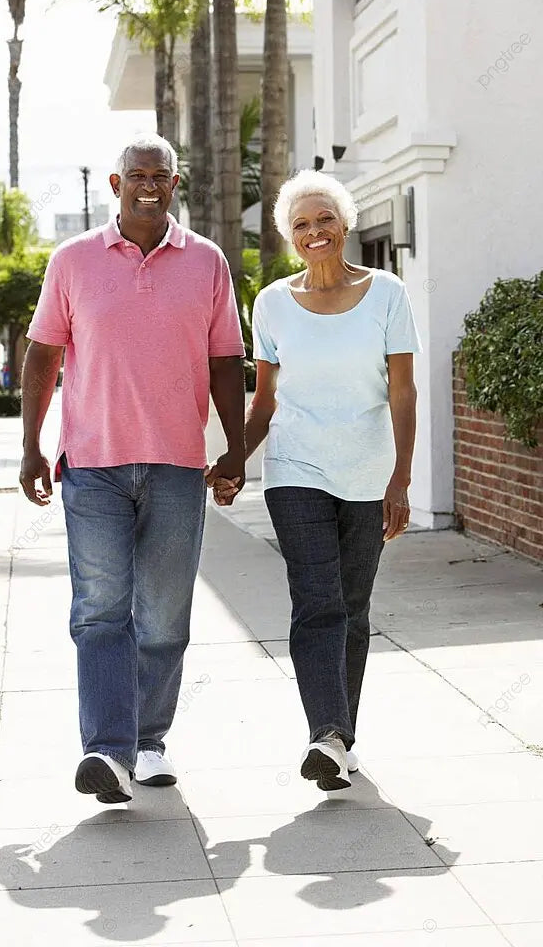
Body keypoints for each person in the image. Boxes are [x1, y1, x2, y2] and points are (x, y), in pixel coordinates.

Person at [20, 134, 246, 803]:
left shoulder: (206, 263)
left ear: (176, 184)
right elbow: (42, 356)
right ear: (115, 187)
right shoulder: (72, 261)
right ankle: (108, 750)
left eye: (160, 175)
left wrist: (234, 446)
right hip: (93, 467)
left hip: (178, 465)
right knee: (99, 611)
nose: (148, 184)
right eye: (135, 175)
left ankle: (149, 741)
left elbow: (227, 362)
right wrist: (33, 444)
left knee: (166, 616)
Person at [213, 170, 421, 792]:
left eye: (323, 219)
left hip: (367, 471)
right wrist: (235, 462)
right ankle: (324, 734)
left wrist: (401, 478)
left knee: (352, 609)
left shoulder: (387, 293)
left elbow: (403, 391)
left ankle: (340, 737)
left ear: (346, 222)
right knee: (317, 600)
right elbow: (265, 401)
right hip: (296, 470)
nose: (314, 232)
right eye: (300, 224)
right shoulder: (273, 303)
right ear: (289, 236)